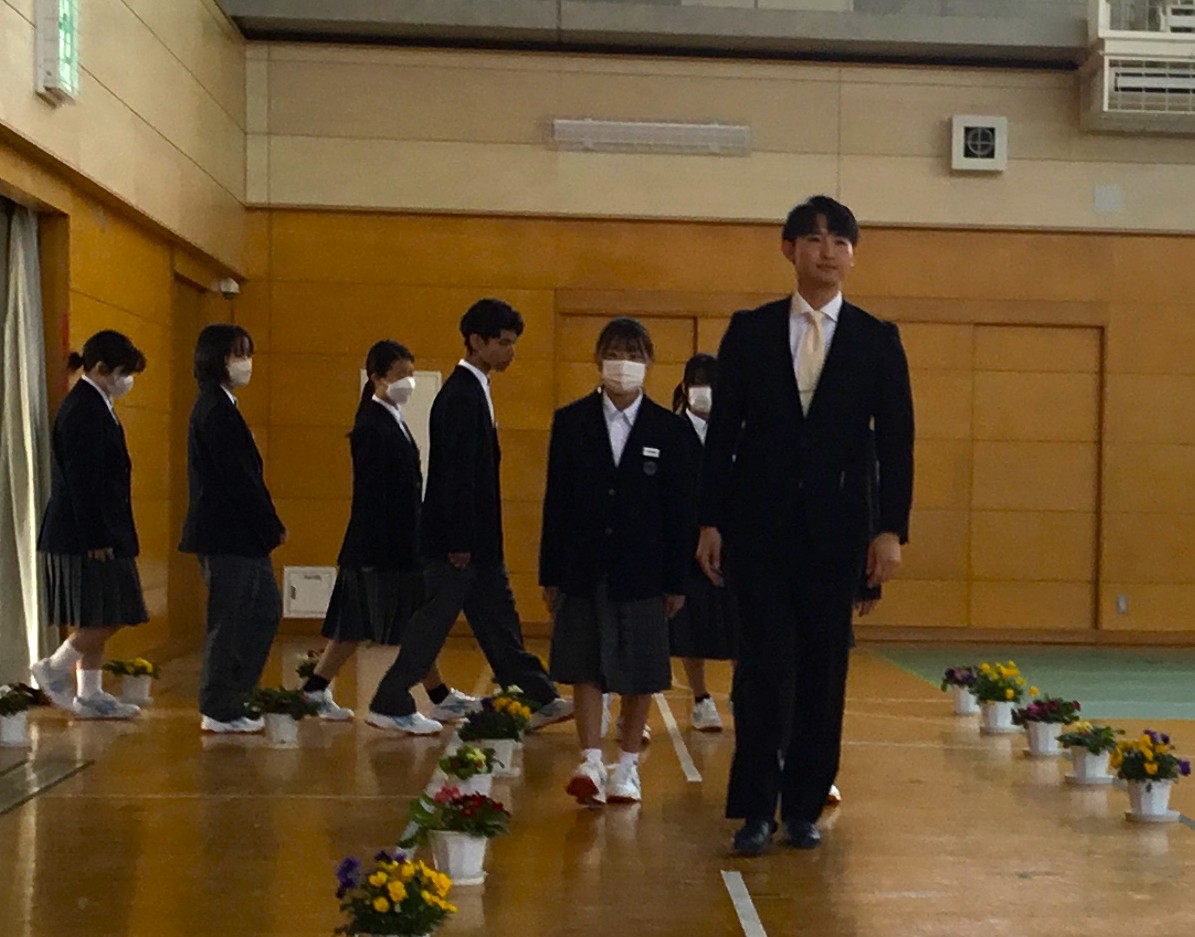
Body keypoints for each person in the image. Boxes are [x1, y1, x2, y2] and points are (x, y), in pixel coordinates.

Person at [696, 196, 914, 855]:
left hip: (836, 533)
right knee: (761, 672)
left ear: (853, 255)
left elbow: (896, 441)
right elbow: (722, 436)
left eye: (840, 241)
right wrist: (709, 520)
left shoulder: (876, 338)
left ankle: (803, 807)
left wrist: (889, 529)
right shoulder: (751, 330)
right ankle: (754, 810)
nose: (828, 251)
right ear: (789, 248)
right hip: (758, 529)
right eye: (815, 239)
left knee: (823, 673)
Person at [366, 299, 572, 731]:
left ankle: (540, 696)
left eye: (513, 343)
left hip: (479, 542)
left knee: (499, 624)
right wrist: (460, 540)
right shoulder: (460, 396)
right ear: (476, 341)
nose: (510, 352)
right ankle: (390, 700)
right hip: (457, 544)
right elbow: (456, 475)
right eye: (503, 343)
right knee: (433, 624)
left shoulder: (476, 390)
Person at [541, 318, 691, 805]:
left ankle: (626, 768)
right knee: (585, 665)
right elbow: (556, 502)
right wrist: (550, 572)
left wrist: (677, 580)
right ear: (598, 359)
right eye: (614, 353)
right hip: (582, 564)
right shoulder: (572, 421)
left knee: (640, 671)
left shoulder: (669, 430)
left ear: (649, 362)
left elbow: (679, 512)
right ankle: (589, 760)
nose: (623, 362)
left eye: (633, 354)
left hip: (644, 569)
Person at [299, 340, 478, 732]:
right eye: (400, 375)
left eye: (411, 375)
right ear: (377, 377)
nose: (408, 383)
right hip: (383, 547)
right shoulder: (371, 426)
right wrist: (408, 543)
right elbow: (378, 497)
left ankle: (314, 690)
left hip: (379, 545)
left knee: (352, 627)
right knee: (412, 626)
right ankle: (412, 702)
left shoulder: (391, 419)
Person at [32, 331, 148, 720]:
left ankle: (90, 692)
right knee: (112, 613)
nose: (126, 381)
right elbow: (84, 480)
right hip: (83, 535)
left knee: (97, 613)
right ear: (100, 368)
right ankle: (54, 667)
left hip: (96, 529)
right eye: (122, 372)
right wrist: (96, 536)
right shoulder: (83, 409)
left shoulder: (97, 404)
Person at [180, 324, 286, 734]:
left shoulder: (224, 407)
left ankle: (238, 695)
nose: (245, 363)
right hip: (226, 535)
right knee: (232, 619)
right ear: (216, 359)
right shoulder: (214, 410)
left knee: (262, 611)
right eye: (237, 354)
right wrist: (270, 524)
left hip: (242, 537)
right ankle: (219, 705)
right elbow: (239, 478)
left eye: (247, 353)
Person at [670, 353, 737, 733]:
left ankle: (743, 694)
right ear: (685, 388)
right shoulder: (672, 431)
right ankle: (700, 699)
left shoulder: (737, 433)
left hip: (731, 547)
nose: (705, 391)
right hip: (683, 547)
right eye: (698, 383)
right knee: (690, 629)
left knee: (739, 626)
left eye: (712, 384)